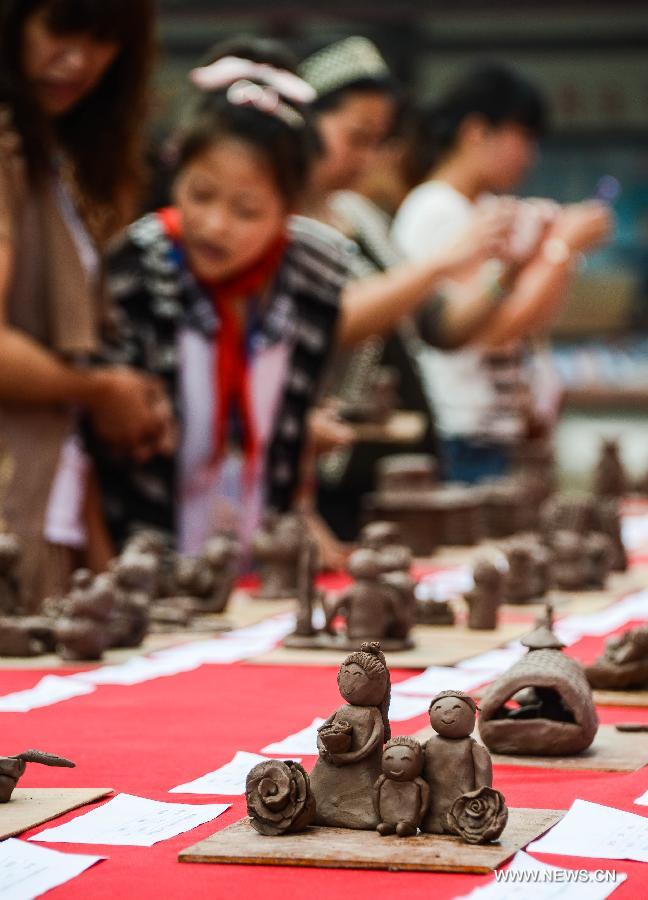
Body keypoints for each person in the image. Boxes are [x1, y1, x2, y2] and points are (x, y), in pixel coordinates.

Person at [89, 38, 513, 556]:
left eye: (247, 210)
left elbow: (284, 444)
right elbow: (102, 444)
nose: (215, 225)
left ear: (289, 208)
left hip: (259, 553)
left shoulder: (313, 269)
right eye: (199, 194)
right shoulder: (142, 266)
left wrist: (308, 530)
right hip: (152, 550)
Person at [298, 38, 521, 542]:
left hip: (400, 478)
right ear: (304, 125)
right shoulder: (284, 225)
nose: (368, 157)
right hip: (328, 481)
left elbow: (440, 325)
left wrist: (503, 273)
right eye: (356, 137)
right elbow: (334, 320)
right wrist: (443, 261)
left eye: (377, 140)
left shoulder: (358, 216)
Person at [0, 0, 162, 606]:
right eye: (61, 31)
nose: (77, 61)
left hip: (46, 502)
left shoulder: (56, 160)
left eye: (102, 40)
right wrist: (99, 390)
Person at [392, 62, 612, 483]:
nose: (530, 155)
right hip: (463, 433)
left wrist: (552, 253)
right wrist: (560, 247)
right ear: (476, 131)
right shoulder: (436, 209)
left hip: (489, 431)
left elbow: (532, 319)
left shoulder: (481, 209)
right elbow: (492, 330)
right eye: (523, 136)